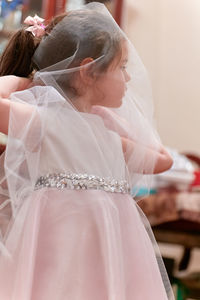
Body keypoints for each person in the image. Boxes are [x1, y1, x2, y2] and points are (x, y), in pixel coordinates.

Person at [0, 3, 174, 300]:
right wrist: (23, 82)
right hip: (62, 240)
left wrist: (109, 117)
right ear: (88, 71)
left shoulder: (104, 133)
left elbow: (162, 159)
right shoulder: (44, 121)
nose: (128, 79)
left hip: (109, 242)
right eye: (121, 67)